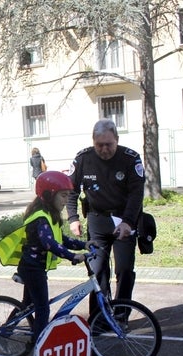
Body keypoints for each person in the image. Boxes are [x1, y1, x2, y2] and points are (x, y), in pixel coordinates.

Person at [66, 118, 145, 312]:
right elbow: (71, 189)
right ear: (93, 141)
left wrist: (127, 222)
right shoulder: (84, 158)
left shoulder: (130, 158)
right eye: (99, 145)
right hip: (97, 219)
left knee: (124, 269)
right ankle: (100, 316)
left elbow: (137, 194)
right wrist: (73, 218)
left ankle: (121, 313)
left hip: (123, 220)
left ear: (117, 140)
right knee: (97, 269)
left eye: (108, 144)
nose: (104, 149)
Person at [16, 171, 96, 340]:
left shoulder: (50, 215)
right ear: (48, 194)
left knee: (27, 305)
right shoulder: (40, 218)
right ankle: (40, 344)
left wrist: (83, 244)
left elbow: (62, 239)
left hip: (35, 266)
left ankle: (8, 328)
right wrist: (72, 256)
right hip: (32, 268)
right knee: (42, 308)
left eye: (68, 196)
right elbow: (49, 243)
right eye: (63, 196)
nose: (66, 200)